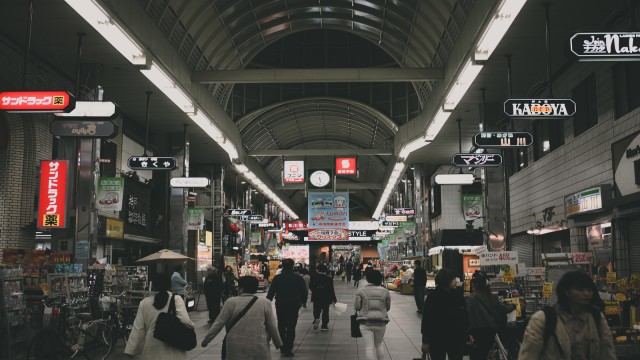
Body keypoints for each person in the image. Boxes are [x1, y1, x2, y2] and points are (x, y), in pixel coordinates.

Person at [518, 271, 616, 360]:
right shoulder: (543, 319)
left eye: (589, 289)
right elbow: (528, 355)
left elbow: (608, 353)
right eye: (580, 289)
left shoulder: (596, 317)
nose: (586, 293)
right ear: (566, 291)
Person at [201, 276, 282, 360]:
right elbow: (272, 325)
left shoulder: (231, 302)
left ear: (241, 288)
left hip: (235, 345)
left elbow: (219, 323)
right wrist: (278, 343)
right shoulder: (265, 303)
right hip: (259, 344)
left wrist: (206, 340)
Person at [125, 273, 194, 359]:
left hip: (152, 347)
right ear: (170, 285)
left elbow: (138, 328)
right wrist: (192, 326)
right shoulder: (176, 299)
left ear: (154, 286)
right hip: (173, 345)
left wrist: (130, 350)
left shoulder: (144, 303)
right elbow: (185, 320)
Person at [421, 268, 469, 360]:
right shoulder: (435, 297)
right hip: (445, 338)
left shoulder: (434, 297)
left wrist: (467, 334)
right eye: (454, 279)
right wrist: (425, 340)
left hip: (447, 338)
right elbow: (427, 320)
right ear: (447, 280)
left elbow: (464, 317)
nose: (456, 281)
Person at [466, 271, 512, 360]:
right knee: (484, 354)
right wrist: (513, 305)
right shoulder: (492, 297)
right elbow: (502, 309)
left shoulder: (471, 299)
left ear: (475, 285)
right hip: (490, 331)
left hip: (475, 332)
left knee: (476, 356)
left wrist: (467, 333)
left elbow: (467, 317)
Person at [266, 258, 307, 357]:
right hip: (294, 304)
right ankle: (289, 347)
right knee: (291, 326)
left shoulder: (277, 278)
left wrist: (267, 302)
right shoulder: (298, 278)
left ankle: (283, 346)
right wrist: (303, 302)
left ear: (282, 266)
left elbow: (271, 292)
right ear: (293, 266)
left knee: (281, 325)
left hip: (281, 304)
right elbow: (304, 291)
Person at [354, 270, 390, 360]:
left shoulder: (361, 291)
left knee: (369, 347)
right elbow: (388, 307)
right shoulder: (385, 291)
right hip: (381, 322)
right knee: (379, 344)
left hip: (366, 322)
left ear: (368, 279)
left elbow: (357, 307)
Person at [309, 264, 337, 331]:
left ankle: (316, 318)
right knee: (325, 311)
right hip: (326, 297)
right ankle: (324, 325)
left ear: (318, 270)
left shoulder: (313, 277)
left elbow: (311, 287)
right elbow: (331, 289)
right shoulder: (329, 278)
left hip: (316, 297)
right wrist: (334, 298)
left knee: (316, 309)